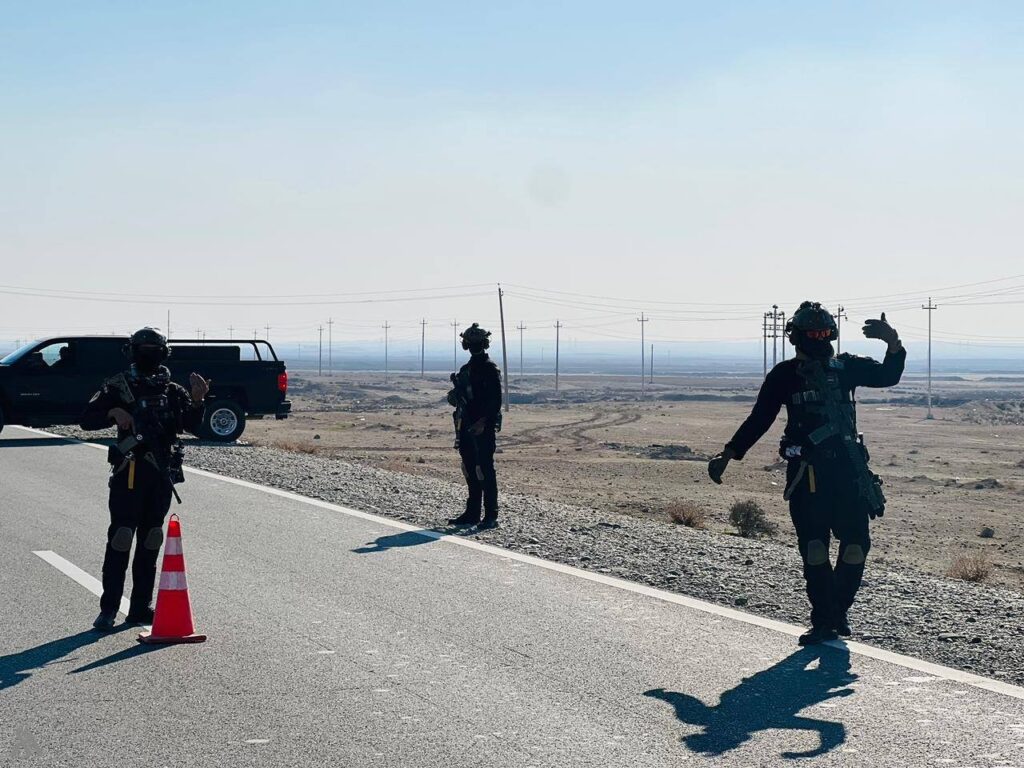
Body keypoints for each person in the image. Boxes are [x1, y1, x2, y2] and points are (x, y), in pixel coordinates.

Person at [707, 302, 905, 645]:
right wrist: (730, 452)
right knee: (815, 549)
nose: (819, 339)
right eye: (813, 333)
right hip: (808, 475)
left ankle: (837, 613)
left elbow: (888, 376)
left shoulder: (847, 367)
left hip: (849, 474)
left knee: (856, 547)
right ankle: (824, 620)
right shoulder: (784, 375)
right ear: (797, 337)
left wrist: (894, 343)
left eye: (824, 333)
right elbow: (760, 418)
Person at [80, 328, 209, 631]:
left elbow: (194, 427)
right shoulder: (118, 386)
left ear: (164, 354)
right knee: (121, 537)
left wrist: (198, 400)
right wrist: (113, 412)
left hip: (161, 476)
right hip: (130, 473)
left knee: (151, 538)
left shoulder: (172, 391)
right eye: (144, 349)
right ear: (132, 351)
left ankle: (140, 608)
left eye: (154, 349)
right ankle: (109, 609)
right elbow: (86, 420)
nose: (149, 354)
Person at [446, 323, 503, 530]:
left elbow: (495, 401)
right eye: (471, 343)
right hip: (466, 426)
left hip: (482, 427)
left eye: (476, 343)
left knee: (484, 469)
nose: (474, 347)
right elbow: (456, 400)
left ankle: (491, 515)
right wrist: (455, 396)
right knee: (469, 469)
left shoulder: (490, 369)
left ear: (484, 344)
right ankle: (472, 513)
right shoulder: (465, 371)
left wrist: (483, 422)